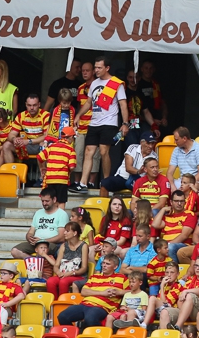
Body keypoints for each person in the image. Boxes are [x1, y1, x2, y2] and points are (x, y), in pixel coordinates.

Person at [74, 56, 129, 190]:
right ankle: (83, 183)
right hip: (94, 123)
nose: (96, 70)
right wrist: (79, 115)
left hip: (109, 123)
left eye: (99, 67)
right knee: (88, 151)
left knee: (104, 151)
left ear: (107, 68)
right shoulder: (94, 83)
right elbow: (88, 103)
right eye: (96, 67)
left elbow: (123, 105)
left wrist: (125, 123)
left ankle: (105, 182)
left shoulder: (116, 84)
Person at [10, 186, 70, 258]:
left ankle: (36, 261)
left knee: (42, 250)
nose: (44, 203)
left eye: (47, 201)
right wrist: (29, 237)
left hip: (51, 243)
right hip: (36, 243)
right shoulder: (38, 213)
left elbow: (61, 237)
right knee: (15, 251)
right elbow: (31, 231)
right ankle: (33, 260)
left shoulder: (62, 214)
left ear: (54, 199)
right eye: (42, 201)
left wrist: (43, 240)